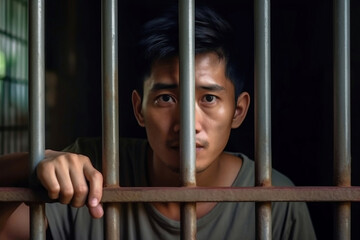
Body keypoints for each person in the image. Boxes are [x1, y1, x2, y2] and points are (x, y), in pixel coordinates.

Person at [0, 6, 316, 240]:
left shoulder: (277, 201)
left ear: (239, 111)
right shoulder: (92, 173)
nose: (188, 123)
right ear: (138, 109)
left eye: (208, 98)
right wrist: (35, 162)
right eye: (166, 98)